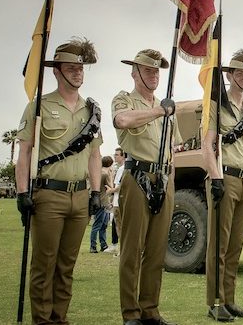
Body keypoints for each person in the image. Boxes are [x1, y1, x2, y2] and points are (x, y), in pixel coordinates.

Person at [15, 38, 103, 325]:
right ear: (56, 71)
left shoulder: (91, 110)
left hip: (79, 196)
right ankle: (42, 321)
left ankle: (59, 318)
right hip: (48, 194)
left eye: (81, 68)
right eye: (71, 68)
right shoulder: (39, 106)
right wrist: (22, 192)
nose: (78, 73)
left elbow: (94, 154)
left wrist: (96, 192)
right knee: (44, 264)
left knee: (67, 266)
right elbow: (25, 153)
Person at [113, 49, 181, 325]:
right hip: (137, 176)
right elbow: (123, 121)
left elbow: (173, 145)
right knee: (132, 248)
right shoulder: (125, 99)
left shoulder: (166, 106)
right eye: (148, 70)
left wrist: (170, 173)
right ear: (135, 72)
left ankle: (150, 308)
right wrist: (158, 111)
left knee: (156, 249)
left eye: (157, 71)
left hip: (163, 178)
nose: (154, 76)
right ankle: (131, 313)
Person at [203, 49, 243, 322]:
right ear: (229, 75)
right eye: (240, 73)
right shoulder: (216, 104)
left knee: (236, 245)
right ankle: (215, 303)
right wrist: (215, 177)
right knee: (220, 245)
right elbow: (208, 144)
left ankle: (230, 299)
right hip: (224, 177)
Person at [89, 156, 114, 253]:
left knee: (101, 224)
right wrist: (111, 175)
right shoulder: (106, 174)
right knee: (100, 225)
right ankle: (94, 246)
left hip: (98, 200)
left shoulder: (99, 172)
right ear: (110, 164)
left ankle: (102, 245)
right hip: (104, 202)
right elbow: (111, 187)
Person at [105, 147, 126, 254]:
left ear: (123, 156)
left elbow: (119, 186)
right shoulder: (124, 168)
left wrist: (110, 191)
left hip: (118, 202)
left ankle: (122, 250)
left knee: (119, 226)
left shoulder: (122, 169)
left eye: (117, 154)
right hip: (122, 201)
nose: (115, 156)